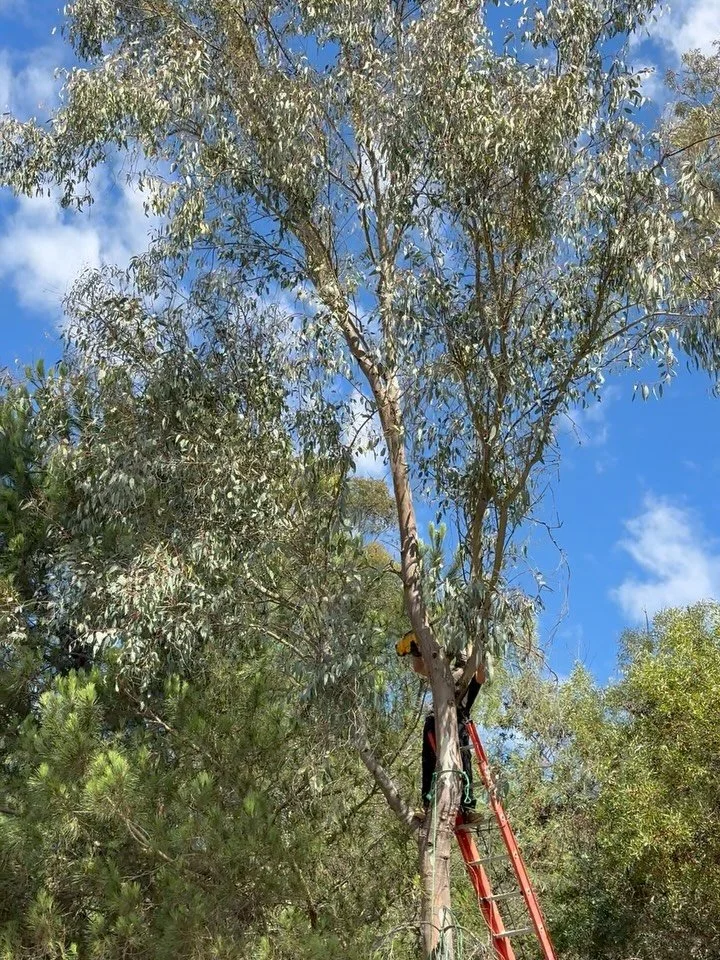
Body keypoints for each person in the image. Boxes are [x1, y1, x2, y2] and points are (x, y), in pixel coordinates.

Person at [396, 630, 486, 824]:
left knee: (463, 762)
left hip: (458, 722)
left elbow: (481, 677)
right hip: (434, 720)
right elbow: (420, 668)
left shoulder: (470, 677)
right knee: (429, 762)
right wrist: (416, 652)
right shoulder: (444, 673)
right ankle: (428, 805)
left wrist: (481, 653)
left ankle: (467, 807)